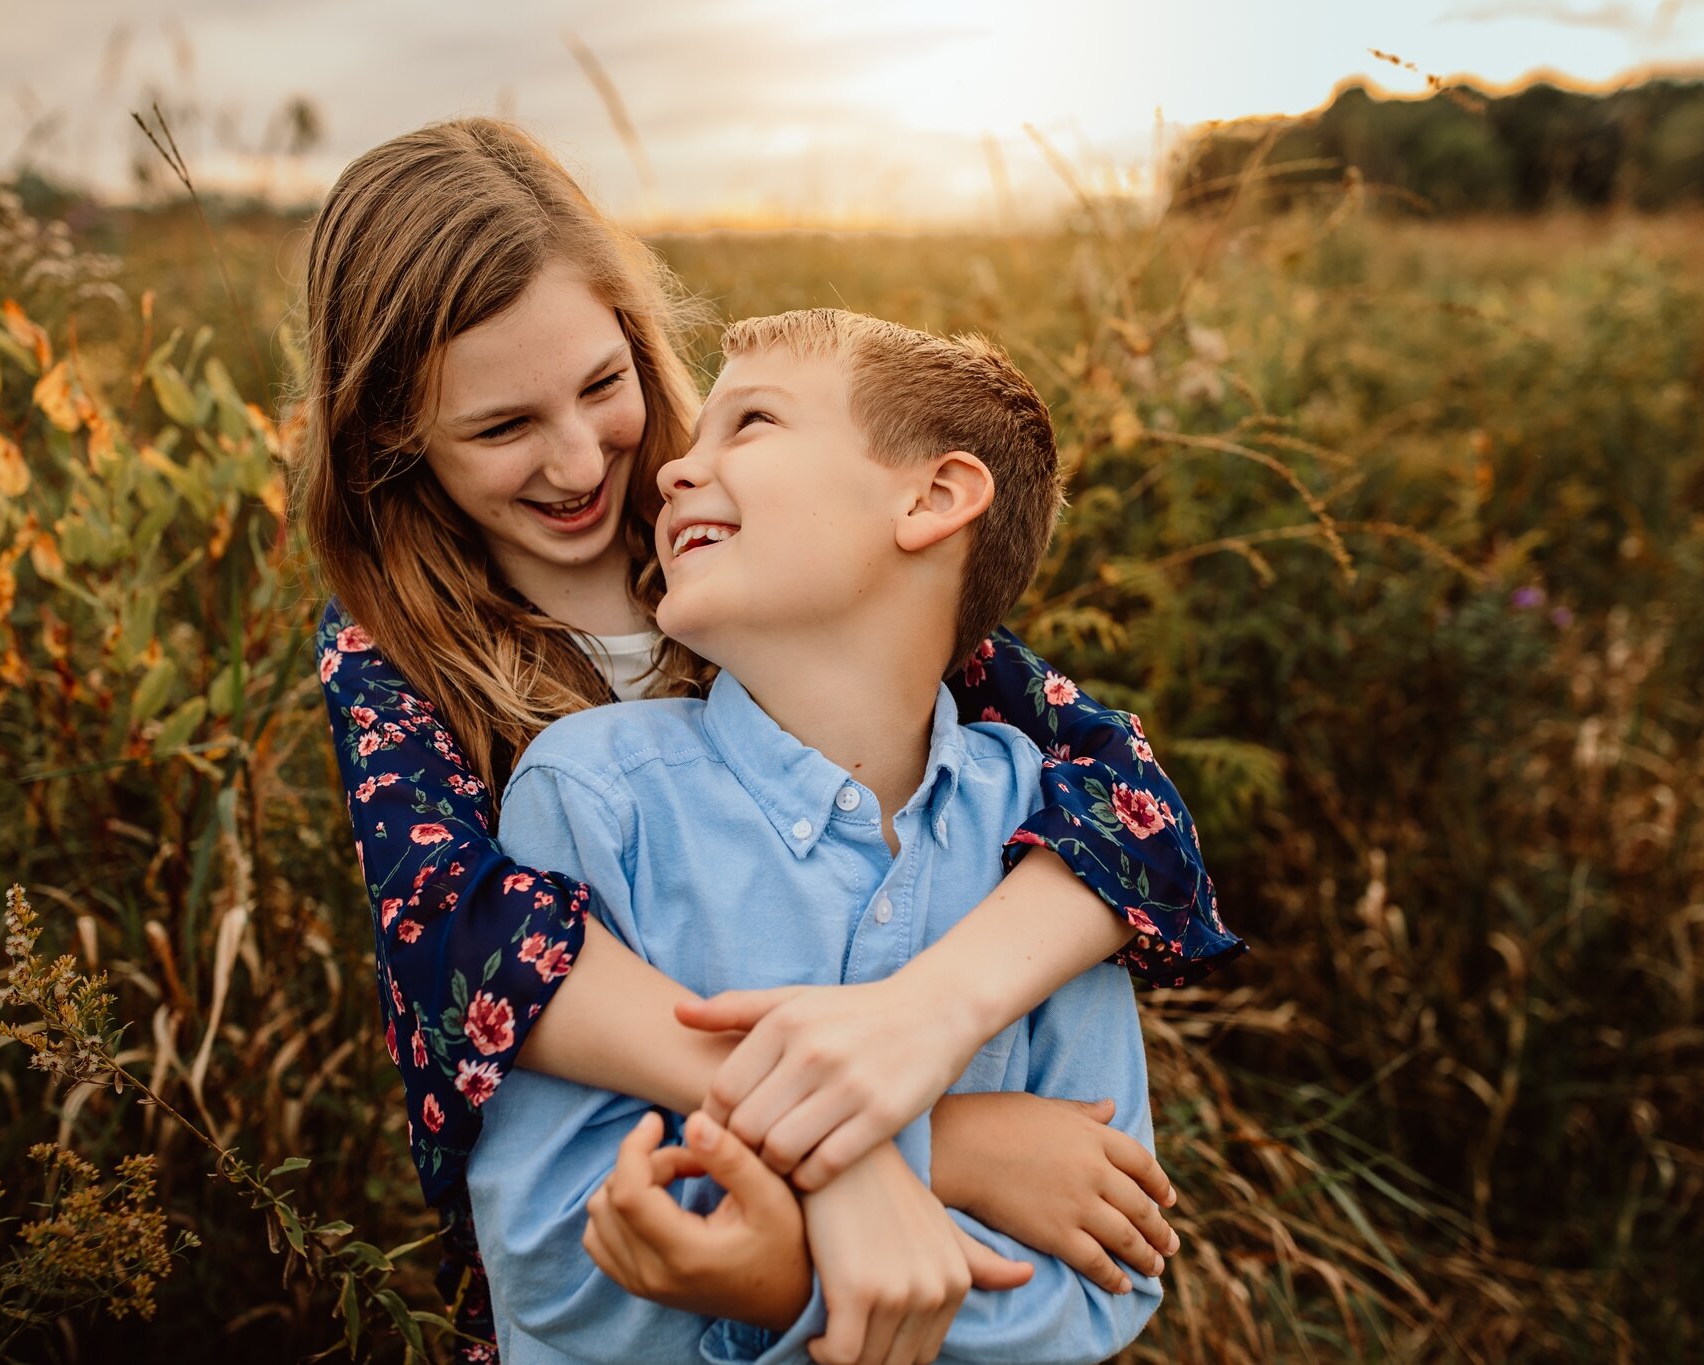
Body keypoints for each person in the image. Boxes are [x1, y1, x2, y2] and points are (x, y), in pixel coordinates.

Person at [298, 118, 1243, 1364]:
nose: (580, 460)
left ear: (639, 343)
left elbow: (1130, 811)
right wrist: (896, 1140)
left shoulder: (772, 565)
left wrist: (924, 1023)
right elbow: (469, 945)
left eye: (601, 386)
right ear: (389, 438)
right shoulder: (398, 654)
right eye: (499, 429)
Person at [472, 308, 1165, 1364]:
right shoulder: (595, 795)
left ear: (931, 498)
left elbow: (1104, 1281)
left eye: (747, 423)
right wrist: (850, 1231)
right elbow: (550, 1256)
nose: (671, 472)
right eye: (691, 437)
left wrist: (772, 1262)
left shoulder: (1041, 832)